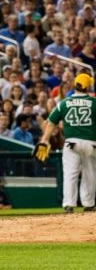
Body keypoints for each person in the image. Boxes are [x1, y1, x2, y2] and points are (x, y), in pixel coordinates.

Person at [37, 74, 96, 213]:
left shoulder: (63, 103)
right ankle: (88, 204)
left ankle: (68, 204)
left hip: (71, 143)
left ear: (75, 85)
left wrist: (44, 139)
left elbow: (51, 122)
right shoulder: (94, 102)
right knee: (90, 174)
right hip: (91, 143)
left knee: (70, 174)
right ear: (87, 87)